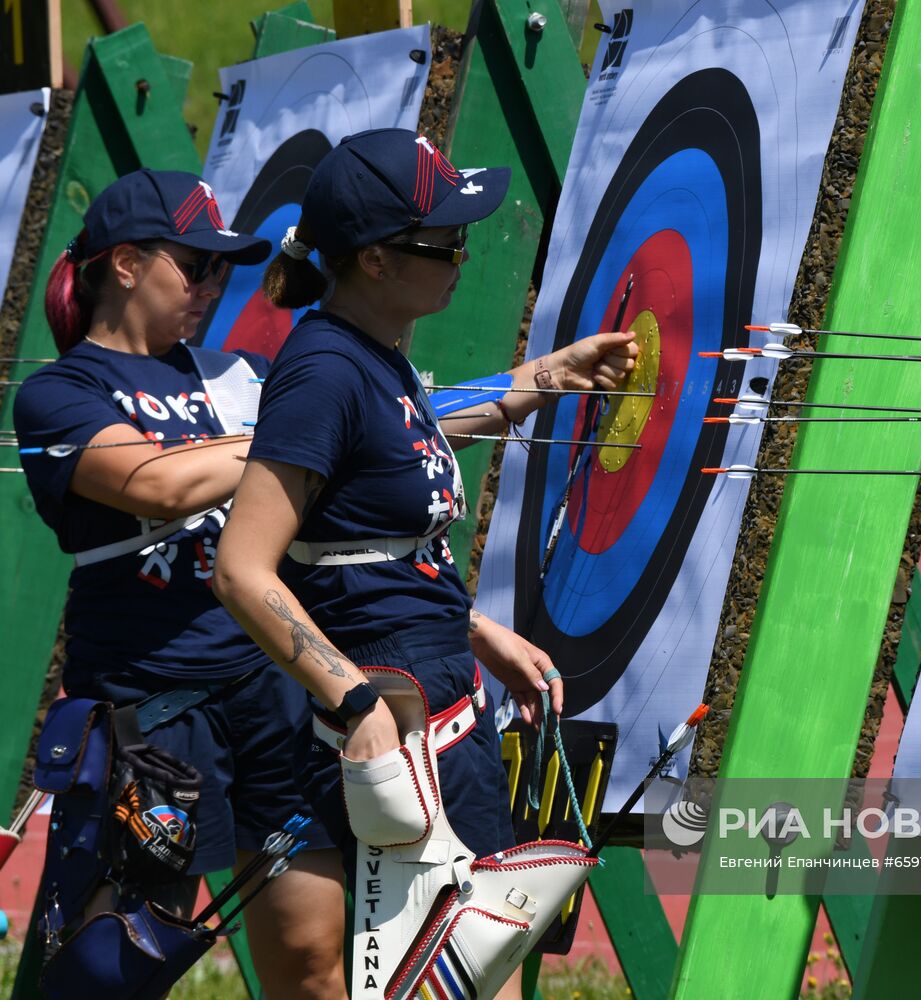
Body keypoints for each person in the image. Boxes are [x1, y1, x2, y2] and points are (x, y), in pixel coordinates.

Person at [213, 128, 637, 999]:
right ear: (373, 258)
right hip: (363, 717)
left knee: (475, 964)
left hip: (430, 690)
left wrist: (551, 375)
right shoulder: (325, 372)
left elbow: (403, 456)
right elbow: (243, 567)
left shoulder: (374, 356)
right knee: (359, 976)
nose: (462, 255)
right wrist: (353, 696)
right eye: (442, 242)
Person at [12, 169, 346, 996]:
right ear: (125, 264)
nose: (209, 288)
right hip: (152, 717)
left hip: (269, 701)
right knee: (111, 972)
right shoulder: (59, 394)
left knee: (313, 959)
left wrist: (538, 384)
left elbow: (380, 428)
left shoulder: (233, 376)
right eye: (194, 266)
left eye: (221, 271)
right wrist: (292, 432)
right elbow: (157, 485)